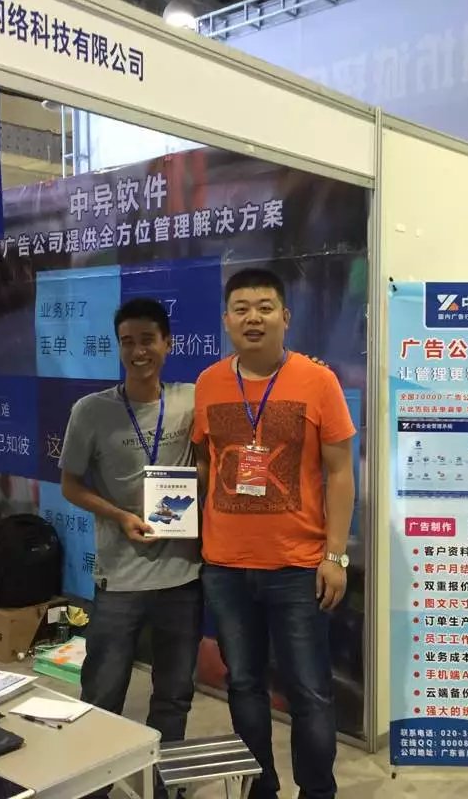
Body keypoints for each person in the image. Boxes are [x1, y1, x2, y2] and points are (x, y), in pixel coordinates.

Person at [192, 268, 356, 799]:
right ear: (226, 320)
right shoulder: (209, 383)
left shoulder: (318, 381)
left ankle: (317, 791)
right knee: (243, 685)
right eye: (241, 308)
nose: (253, 318)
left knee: (309, 691)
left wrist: (335, 555)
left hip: (297, 568)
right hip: (226, 567)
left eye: (265, 307)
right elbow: (205, 463)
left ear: (285, 317)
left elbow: (340, 473)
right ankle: (260, 787)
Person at [59, 298, 202, 799]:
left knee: (175, 695)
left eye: (148, 340)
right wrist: (119, 516)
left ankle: (164, 787)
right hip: (119, 579)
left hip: (183, 576)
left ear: (168, 344)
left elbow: (248, 393)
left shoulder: (192, 399)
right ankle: (92, 789)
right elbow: (70, 485)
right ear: (118, 347)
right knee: (102, 692)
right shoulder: (91, 411)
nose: (139, 351)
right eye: (128, 342)